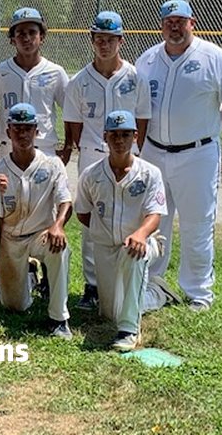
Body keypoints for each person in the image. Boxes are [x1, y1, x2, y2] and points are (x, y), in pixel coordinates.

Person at [136, 0, 222, 311]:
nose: (175, 26)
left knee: (197, 224)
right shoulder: (147, 60)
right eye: (169, 20)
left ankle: (198, 293)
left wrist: (214, 123)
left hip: (198, 154)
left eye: (180, 20)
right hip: (154, 152)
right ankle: (151, 286)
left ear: (192, 23)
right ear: (161, 25)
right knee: (154, 222)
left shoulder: (215, 58)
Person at [63, 11, 152, 311]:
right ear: (92, 40)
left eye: (110, 39)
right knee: (92, 223)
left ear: (120, 41)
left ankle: (130, 279)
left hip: (128, 155)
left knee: (131, 218)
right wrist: (89, 148)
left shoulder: (136, 77)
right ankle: (92, 285)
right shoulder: (78, 80)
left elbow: (142, 120)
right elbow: (73, 124)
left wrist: (131, 152)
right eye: (99, 39)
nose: (104, 45)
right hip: (92, 153)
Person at [75, 110, 174, 351]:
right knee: (110, 311)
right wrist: (106, 232)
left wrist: (140, 234)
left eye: (126, 135)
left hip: (144, 241)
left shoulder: (150, 173)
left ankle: (129, 330)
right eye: (114, 135)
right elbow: (83, 212)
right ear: (105, 137)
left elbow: (155, 215)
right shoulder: (92, 174)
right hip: (106, 246)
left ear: (136, 137)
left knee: (133, 253)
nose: (120, 141)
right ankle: (158, 292)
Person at [0, 103, 73, 339]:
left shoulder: (52, 164)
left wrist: (57, 226)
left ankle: (59, 318)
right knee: (14, 306)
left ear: (37, 131)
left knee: (59, 249)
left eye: (28, 128)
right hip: (10, 239)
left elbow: (66, 200)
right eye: (17, 128)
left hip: (41, 234)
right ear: (8, 132)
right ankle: (29, 273)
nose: (23, 134)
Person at [0, 7, 70, 165]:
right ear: (12, 39)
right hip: (9, 148)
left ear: (42, 37)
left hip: (44, 147)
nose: (27, 38)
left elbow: (71, 112)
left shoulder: (56, 72)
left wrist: (68, 147)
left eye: (32, 32)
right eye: (21, 33)